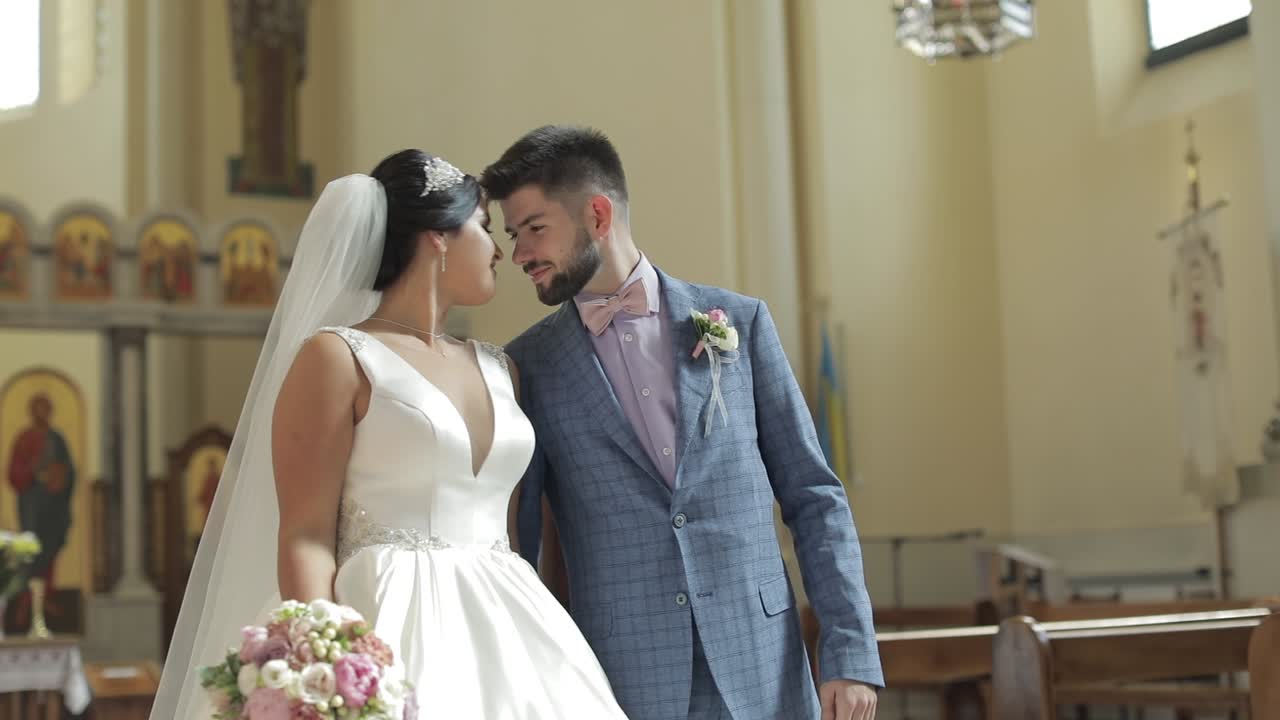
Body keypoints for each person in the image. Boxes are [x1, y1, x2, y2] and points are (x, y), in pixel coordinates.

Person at [150, 149, 628, 718]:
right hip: (384, 616)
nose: (501, 250)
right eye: (483, 227)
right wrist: (324, 663)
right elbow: (304, 535)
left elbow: (509, 529)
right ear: (438, 237)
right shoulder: (337, 356)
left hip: (512, 627)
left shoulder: (502, 367)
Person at [483, 125, 883, 720]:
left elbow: (814, 495)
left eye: (534, 229)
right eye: (513, 236)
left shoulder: (741, 323)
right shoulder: (527, 367)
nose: (520, 255)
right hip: (622, 681)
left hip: (763, 668)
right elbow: (520, 546)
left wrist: (849, 653)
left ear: (598, 215)